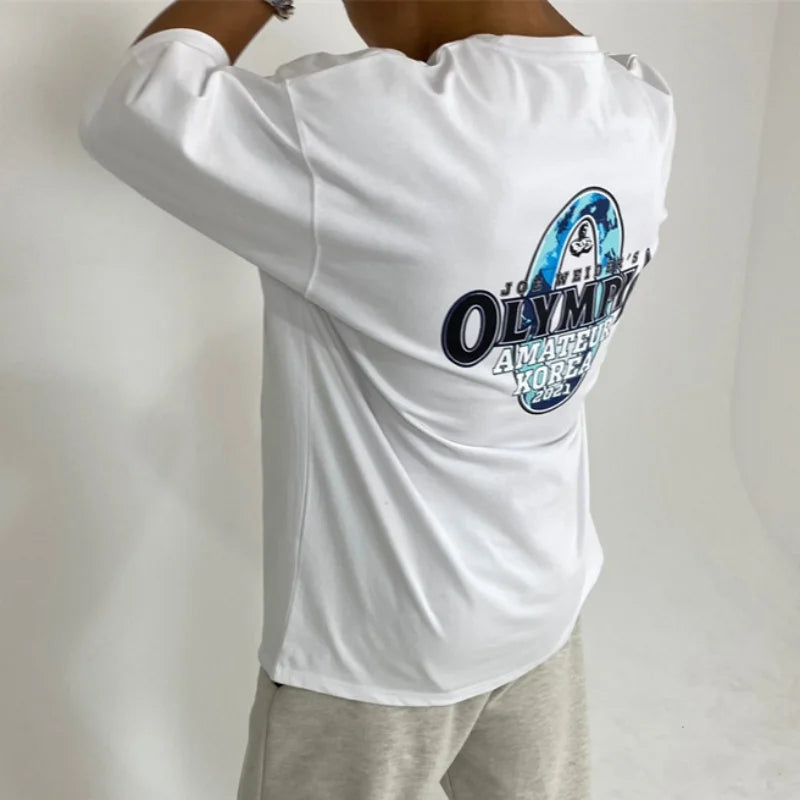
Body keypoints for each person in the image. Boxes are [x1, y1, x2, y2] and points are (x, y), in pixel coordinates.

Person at [78, 1, 677, 797]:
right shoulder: (641, 112)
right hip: (543, 606)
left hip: (374, 653)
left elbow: (135, 103)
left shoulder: (367, 128)